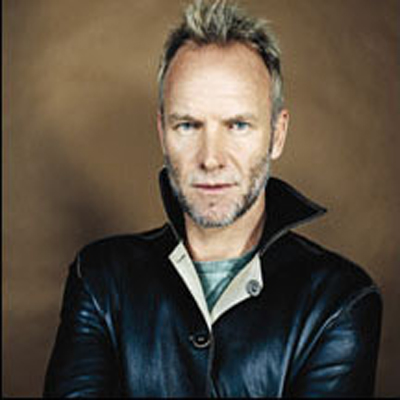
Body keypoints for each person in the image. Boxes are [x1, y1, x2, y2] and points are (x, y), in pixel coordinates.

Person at [44, 0, 382, 397]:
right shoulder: (99, 278)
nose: (210, 158)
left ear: (277, 135)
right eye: (188, 125)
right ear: (162, 133)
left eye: (238, 125)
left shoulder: (339, 301)